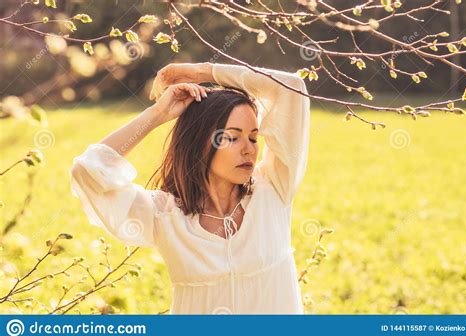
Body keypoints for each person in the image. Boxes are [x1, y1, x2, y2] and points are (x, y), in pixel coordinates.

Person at [70, 62, 310, 314]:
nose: (248, 148)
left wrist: (203, 72)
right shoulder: (165, 214)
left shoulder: (273, 188)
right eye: (232, 136)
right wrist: (157, 114)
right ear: (199, 142)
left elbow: (291, 88)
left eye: (253, 137)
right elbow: (88, 171)